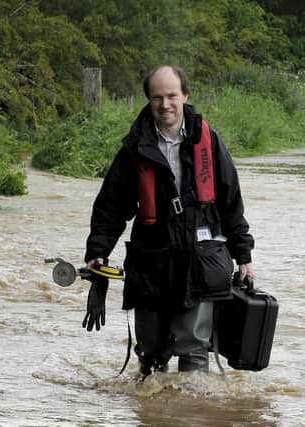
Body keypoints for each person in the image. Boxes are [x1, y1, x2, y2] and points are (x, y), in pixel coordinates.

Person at [82, 65, 255, 376]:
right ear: (149, 100)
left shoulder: (210, 141)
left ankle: (191, 415)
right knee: (150, 354)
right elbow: (110, 206)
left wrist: (244, 256)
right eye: (157, 97)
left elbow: (231, 201)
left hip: (200, 261)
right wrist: (97, 252)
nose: (165, 105)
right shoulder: (134, 148)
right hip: (151, 262)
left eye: (172, 96)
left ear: (184, 96)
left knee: (194, 349)